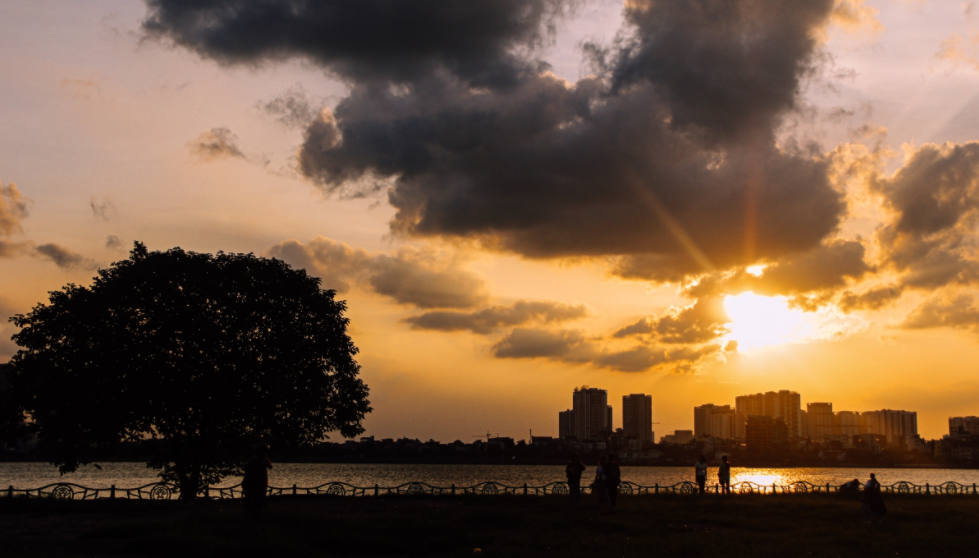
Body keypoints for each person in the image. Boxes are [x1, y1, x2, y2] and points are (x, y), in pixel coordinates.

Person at [243, 443, 273, 514]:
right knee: (260, 499)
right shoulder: (264, 459)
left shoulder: (251, 458)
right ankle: (258, 514)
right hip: (261, 483)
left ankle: (251, 514)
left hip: (252, 482)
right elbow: (270, 466)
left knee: (252, 499)